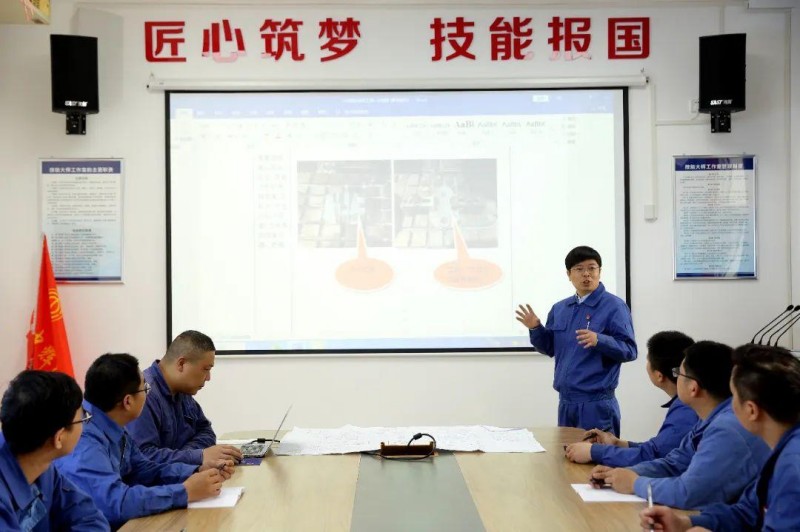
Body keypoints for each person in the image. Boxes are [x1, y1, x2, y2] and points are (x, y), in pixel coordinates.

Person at [56, 353, 231, 529]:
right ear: (128, 401)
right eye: (145, 389)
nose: (147, 393)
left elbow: (143, 469)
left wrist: (196, 470)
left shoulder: (111, 422)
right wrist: (184, 492)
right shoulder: (82, 440)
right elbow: (116, 504)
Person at [590, 341, 770, 509]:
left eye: (679, 374)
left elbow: (689, 493)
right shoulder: (709, 417)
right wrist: (621, 473)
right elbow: (675, 463)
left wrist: (635, 483)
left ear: (693, 388)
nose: (676, 379)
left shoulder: (727, 429)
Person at [640, 344, 800, 531]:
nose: (729, 405)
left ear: (751, 410)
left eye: (734, 397)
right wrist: (686, 523)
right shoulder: (780, 451)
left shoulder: (793, 466)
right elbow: (746, 513)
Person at [516, 245, 637, 436]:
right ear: (569, 274)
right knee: (567, 453)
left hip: (596, 404)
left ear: (599, 271)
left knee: (597, 454)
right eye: (579, 269)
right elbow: (550, 348)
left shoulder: (614, 306)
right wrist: (536, 329)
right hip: (566, 402)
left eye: (592, 268)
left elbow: (630, 350)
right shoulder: (560, 308)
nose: (586, 274)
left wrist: (600, 340)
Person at [566, 331, 698, 466]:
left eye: (648, 360)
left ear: (659, 376)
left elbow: (654, 456)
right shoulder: (686, 405)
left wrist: (594, 452)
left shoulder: (686, 410)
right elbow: (658, 449)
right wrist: (618, 443)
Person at [0, 370, 109, 531]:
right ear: (59, 437)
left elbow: (91, 519)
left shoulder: (42, 463)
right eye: (82, 418)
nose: (84, 424)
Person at [127, 330, 242, 468]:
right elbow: (143, 458)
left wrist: (189, 454)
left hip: (181, 476)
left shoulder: (182, 391)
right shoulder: (144, 394)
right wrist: (198, 456)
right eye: (206, 369)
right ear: (181, 364)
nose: (208, 378)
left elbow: (206, 431)